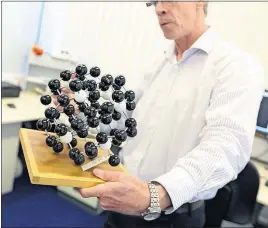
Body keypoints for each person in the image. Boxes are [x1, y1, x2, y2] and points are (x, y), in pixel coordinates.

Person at [54, 1, 264, 228]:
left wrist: (154, 196)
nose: (159, 9)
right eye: (154, 1)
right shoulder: (155, 63)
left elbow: (225, 148)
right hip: (124, 205)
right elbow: (122, 122)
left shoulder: (236, 67)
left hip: (173, 217)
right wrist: (81, 110)